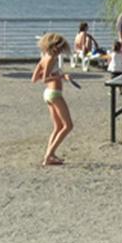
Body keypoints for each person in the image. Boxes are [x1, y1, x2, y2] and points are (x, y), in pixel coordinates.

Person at [31, 32, 74, 167]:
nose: (61, 51)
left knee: (58, 127)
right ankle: (48, 156)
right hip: (54, 93)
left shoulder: (44, 57)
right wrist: (61, 77)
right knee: (68, 126)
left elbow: (34, 78)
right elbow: (44, 79)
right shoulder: (51, 59)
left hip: (49, 94)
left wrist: (55, 74)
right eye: (60, 48)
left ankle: (51, 155)